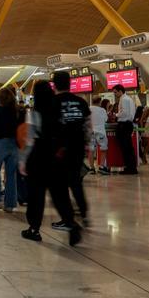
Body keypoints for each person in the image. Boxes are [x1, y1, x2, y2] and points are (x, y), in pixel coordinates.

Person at [18, 80, 82, 246]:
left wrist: (23, 160)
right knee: (60, 194)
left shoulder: (34, 112)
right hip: (56, 157)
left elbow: (30, 139)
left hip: (38, 156)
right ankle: (71, 224)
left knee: (36, 195)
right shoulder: (58, 109)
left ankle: (34, 229)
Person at [51, 70, 92, 228]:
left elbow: (49, 128)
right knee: (75, 182)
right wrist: (87, 144)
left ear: (54, 84)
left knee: (60, 186)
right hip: (78, 147)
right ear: (70, 83)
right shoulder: (80, 102)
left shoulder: (53, 102)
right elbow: (88, 125)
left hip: (60, 150)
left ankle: (67, 219)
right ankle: (84, 213)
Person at [112, 84, 137, 174]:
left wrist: (116, 115)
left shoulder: (124, 99)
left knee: (126, 148)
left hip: (124, 125)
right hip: (127, 125)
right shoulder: (129, 99)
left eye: (115, 92)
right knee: (128, 147)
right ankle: (131, 167)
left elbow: (124, 113)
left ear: (120, 91)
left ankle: (130, 168)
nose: (115, 94)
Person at [88, 97, 108, 174]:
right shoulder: (102, 110)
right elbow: (105, 120)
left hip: (91, 132)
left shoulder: (88, 109)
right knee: (103, 149)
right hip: (100, 132)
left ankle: (91, 168)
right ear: (99, 102)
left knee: (91, 150)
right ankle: (102, 167)